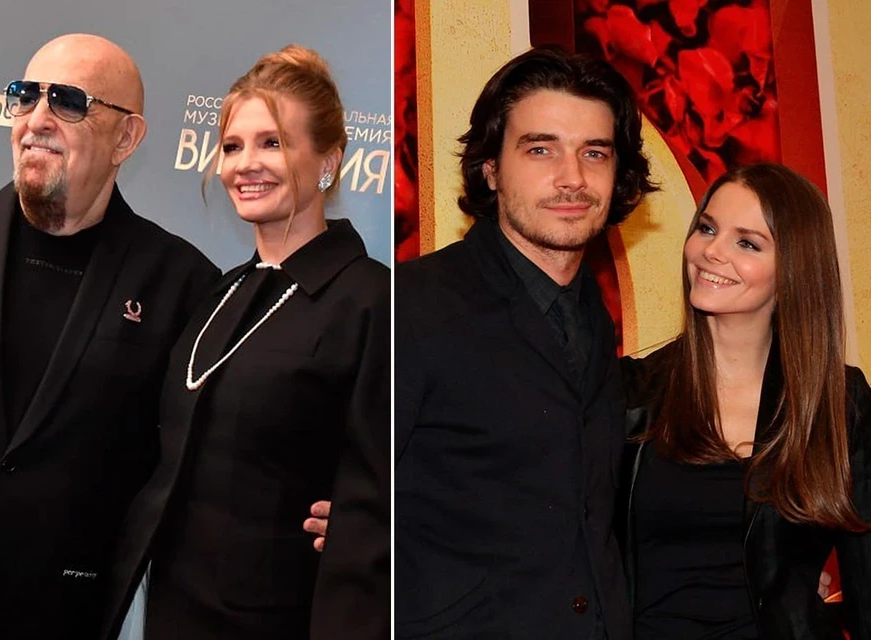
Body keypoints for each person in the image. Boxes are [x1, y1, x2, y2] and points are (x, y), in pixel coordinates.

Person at [0, 34, 220, 639]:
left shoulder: (184, 286)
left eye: (69, 101)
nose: (37, 119)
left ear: (126, 137)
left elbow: (208, 460)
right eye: (25, 96)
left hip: (59, 611)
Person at [102, 45, 391, 640]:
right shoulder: (219, 292)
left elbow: (399, 472)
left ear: (329, 160)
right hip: (170, 613)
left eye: (272, 143)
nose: (245, 165)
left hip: (280, 619)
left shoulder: (372, 300)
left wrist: (374, 524)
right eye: (232, 146)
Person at [394, 46, 656, 639]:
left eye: (595, 153)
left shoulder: (592, 315)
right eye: (541, 149)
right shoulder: (410, 305)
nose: (573, 178)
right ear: (491, 169)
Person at [618, 162, 871, 639]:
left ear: (794, 269)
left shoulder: (838, 402)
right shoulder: (630, 392)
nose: (712, 251)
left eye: (747, 243)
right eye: (707, 228)